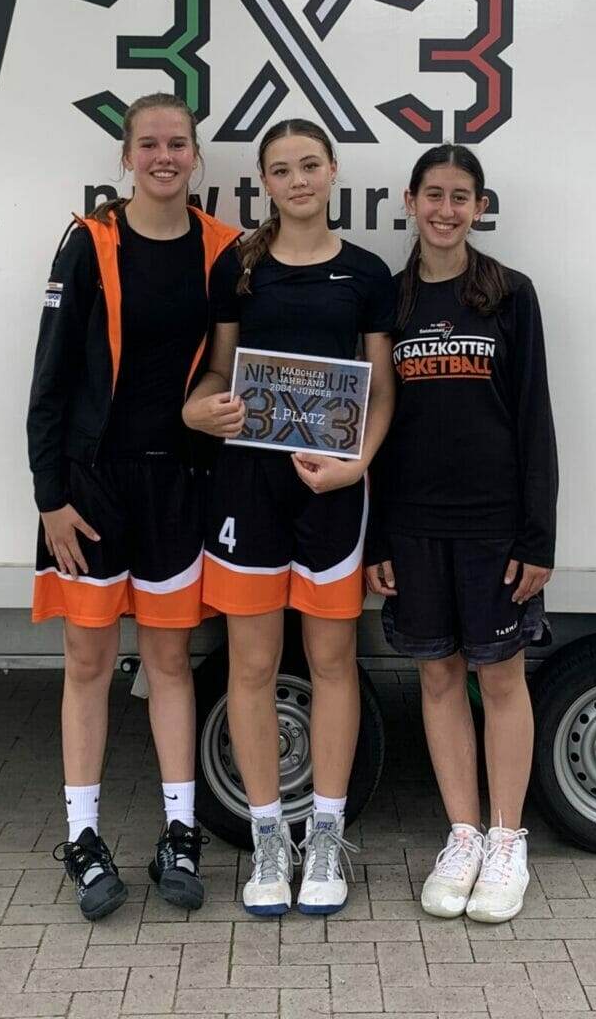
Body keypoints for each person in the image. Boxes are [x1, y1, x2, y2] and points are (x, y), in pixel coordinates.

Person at [27, 93, 240, 922]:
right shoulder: (90, 242)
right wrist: (50, 499)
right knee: (86, 663)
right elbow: (49, 381)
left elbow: (226, 365)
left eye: (177, 143)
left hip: (175, 486)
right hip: (90, 491)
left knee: (170, 665)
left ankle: (180, 836)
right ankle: (82, 839)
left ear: (196, 155)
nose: (163, 156)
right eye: (148, 143)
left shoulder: (220, 249)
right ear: (126, 156)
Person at [183, 117, 396, 918]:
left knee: (333, 661)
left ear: (333, 170)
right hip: (247, 487)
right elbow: (216, 372)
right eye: (281, 169)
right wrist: (204, 408)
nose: (298, 180)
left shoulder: (367, 273)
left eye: (310, 165)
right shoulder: (239, 266)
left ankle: (328, 836)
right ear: (264, 183)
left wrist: (358, 463)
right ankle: (269, 837)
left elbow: (381, 387)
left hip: (331, 491)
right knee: (251, 666)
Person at [366, 144, 558, 924]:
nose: (446, 210)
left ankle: (508, 841)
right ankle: (464, 836)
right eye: (434, 194)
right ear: (410, 200)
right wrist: (377, 538)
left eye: (461, 197)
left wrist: (538, 538)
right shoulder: (390, 301)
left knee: (501, 679)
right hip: (414, 526)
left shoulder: (510, 294)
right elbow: (376, 422)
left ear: (480, 207)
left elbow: (535, 417)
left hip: (493, 528)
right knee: (439, 677)